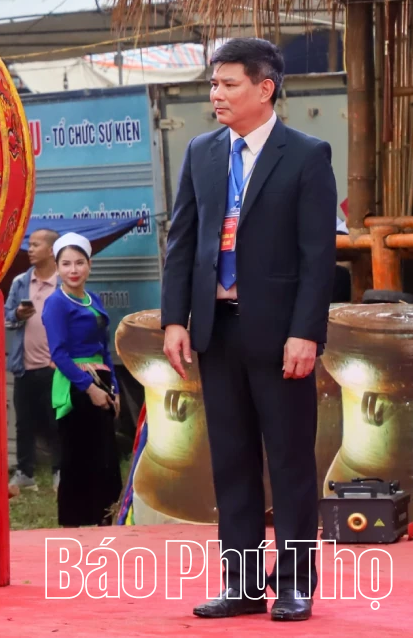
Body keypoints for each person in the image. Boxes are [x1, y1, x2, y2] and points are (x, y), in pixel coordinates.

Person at [161, 38, 335, 622]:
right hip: (216, 331)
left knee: (288, 462)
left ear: (265, 88)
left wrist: (306, 331)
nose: (216, 94)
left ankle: (294, 584)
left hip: (282, 335)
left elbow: (318, 257)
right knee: (231, 462)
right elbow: (182, 241)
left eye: (228, 84)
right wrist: (174, 319)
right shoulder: (202, 152)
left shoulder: (306, 154)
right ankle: (240, 585)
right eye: (213, 84)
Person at [42, 232, 122, 528]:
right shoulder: (56, 303)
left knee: (105, 456)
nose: (73, 270)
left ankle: (104, 518)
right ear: (57, 267)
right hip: (75, 384)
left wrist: (114, 388)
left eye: (79, 263)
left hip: (101, 379)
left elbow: (105, 348)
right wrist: (88, 388)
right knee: (77, 455)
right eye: (66, 264)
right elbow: (58, 353)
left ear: (89, 265)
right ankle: (74, 524)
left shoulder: (94, 299)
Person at [4, 228, 60, 492]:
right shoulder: (20, 282)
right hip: (23, 366)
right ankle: (25, 474)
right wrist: (17, 314)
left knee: (56, 422)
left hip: (55, 366)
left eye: (36, 245)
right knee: (23, 423)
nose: (30, 249)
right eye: (30, 244)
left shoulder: (64, 282)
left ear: (51, 250)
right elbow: (6, 318)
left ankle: (60, 472)